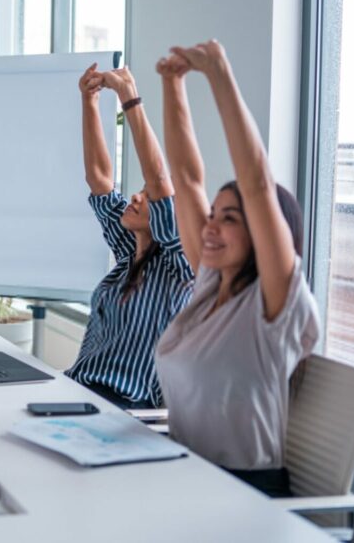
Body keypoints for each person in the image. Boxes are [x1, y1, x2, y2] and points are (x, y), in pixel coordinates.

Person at [154, 40, 320, 498]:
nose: (211, 227)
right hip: (188, 476)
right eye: (213, 214)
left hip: (245, 493)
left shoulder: (276, 306)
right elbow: (186, 179)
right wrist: (172, 84)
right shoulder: (209, 285)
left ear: (267, 236)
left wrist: (218, 73)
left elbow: (257, 181)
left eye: (230, 219)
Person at [64, 63, 194, 409]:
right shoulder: (128, 255)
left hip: (126, 408)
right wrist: (89, 101)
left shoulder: (180, 269)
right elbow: (100, 181)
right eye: (138, 191)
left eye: (147, 197)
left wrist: (129, 99)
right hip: (79, 389)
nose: (136, 196)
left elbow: (161, 180)